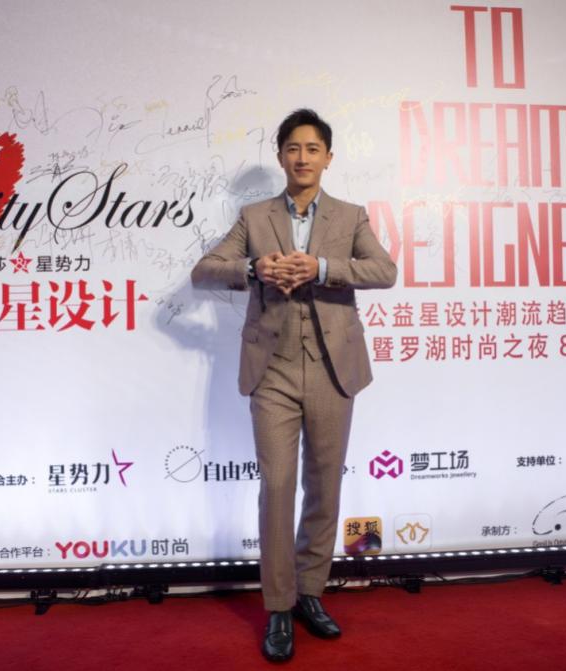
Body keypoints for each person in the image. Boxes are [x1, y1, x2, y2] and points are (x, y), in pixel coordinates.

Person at [191, 108, 396, 662]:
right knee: (278, 487)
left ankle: (310, 593)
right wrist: (253, 269)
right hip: (273, 370)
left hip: (333, 368)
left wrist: (322, 268)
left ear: (328, 157)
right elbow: (204, 271)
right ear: (280, 156)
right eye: (292, 148)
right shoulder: (253, 217)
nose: (302, 158)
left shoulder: (350, 216)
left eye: (312, 149)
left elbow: (385, 271)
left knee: (324, 486)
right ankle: (278, 606)